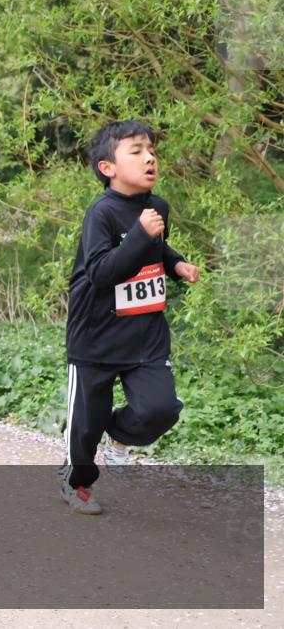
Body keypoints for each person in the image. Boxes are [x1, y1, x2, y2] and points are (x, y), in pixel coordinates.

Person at [61, 120, 200, 515]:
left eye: (151, 150)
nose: (149, 157)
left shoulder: (158, 208)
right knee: (86, 425)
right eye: (136, 151)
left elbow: (155, 249)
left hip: (145, 334)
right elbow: (102, 273)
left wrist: (176, 265)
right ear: (108, 168)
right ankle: (77, 482)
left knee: (161, 408)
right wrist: (140, 234)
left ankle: (119, 437)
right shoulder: (101, 213)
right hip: (96, 336)